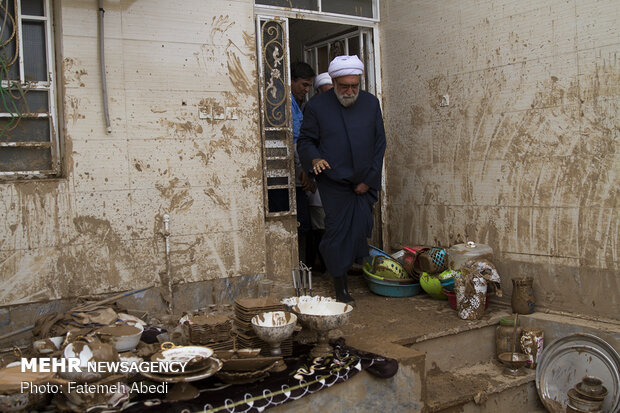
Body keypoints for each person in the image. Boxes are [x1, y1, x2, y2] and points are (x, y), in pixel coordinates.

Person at [297, 56, 386, 302]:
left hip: (364, 181)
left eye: (354, 86)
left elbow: (380, 144)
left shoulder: (370, 103)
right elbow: (306, 141)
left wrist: (368, 180)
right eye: (344, 86)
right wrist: (313, 159)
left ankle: (344, 266)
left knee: (359, 229)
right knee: (336, 233)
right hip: (334, 182)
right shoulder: (317, 106)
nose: (349, 91)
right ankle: (340, 285)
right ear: (334, 82)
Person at [290, 62, 316, 264]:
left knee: (302, 225)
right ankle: (297, 273)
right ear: (291, 81)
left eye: (309, 86)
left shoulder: (297, 106)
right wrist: (303, 171)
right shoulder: (284, 104)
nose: (307, 90)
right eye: (304, 85)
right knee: (300, 225)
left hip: (297, 175)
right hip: (288, 176)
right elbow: (295, 141)